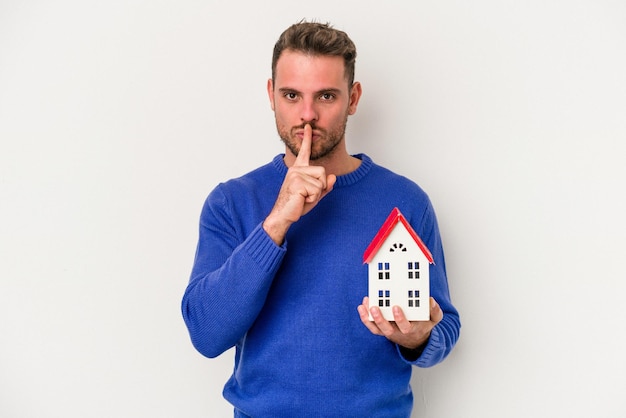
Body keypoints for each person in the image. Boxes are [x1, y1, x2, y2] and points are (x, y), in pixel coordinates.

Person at [181, 20, 460, 417]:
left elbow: (444, 326)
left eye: (326, 96)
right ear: (270, 95)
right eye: (291, 95)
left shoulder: (405, 201)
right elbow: (206, 334)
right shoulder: (232, 202)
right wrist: (276, 222)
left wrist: (418, 338)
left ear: (353, 98)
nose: (307, 115)